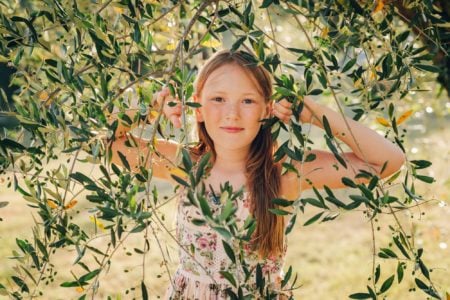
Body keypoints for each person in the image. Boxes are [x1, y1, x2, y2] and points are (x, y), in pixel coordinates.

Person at [109, 49, 405, 299]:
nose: (232, 113)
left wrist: (312, 113)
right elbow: (108, 144)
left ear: (267, 109)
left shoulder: (284, 172)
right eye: (218, 99)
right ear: (197, 106)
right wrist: (151, 108)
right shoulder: (186, 164)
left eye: (248, 101)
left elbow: (386, 163)